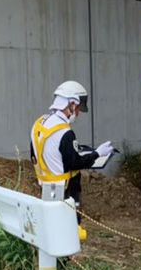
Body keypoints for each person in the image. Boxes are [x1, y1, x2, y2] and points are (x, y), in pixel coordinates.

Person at [30, 81, 114, 227]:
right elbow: (74, 163)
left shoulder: (39, 123)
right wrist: (97, 154)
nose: (78, 113)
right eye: (78, 109)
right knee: (68, 231)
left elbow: (36, 154)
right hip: (66, 190)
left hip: (46, 187)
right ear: (72, 104)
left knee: (51, 229)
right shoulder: (64, 132)